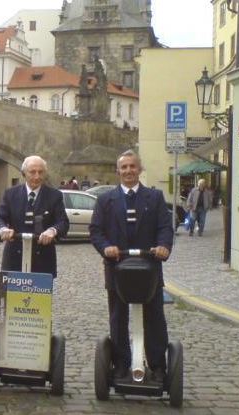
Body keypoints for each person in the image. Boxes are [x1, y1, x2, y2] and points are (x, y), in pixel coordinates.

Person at [89, 149, 173, 383]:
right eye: (124, 167)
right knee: (118, 317)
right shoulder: (106, 200)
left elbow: (165, 227)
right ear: (118, 172)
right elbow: (96, 231)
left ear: (140, 169)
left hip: (149, 270)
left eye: (132, 166)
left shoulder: (154, 198)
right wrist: (106, 247)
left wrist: (164, 246)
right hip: (117, 269)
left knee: (155, 317)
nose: (128, 171)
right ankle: (121, 364)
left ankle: (157, 366)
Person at [0, 155, 69, 276]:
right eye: (32, 172)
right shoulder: (10, 194)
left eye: (40, 172)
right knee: (13, 295)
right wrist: (3, 229)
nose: (37, 176)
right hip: (14, 260)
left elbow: (63, 222)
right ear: (24, 173)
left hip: (43, 261)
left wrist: (53, 231)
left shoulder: (55, 196)